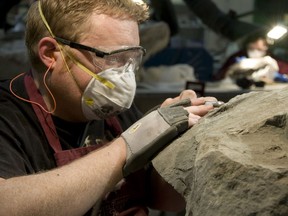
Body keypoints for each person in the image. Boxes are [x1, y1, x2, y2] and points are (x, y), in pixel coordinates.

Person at [0, 0, 219, 215]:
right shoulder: (9, 114)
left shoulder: (111, 108)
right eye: (113, 59)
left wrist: (178, 144)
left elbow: (163, 200)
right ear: (50, 53)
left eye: (132, 59)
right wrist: (128, 145)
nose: (125, 77)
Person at [214, 32, 280, 84]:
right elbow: (224, 73)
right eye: (263, 43)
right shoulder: (237, 57)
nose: (265, 47)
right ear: (251, 43)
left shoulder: (268, 59)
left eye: (266, 45)